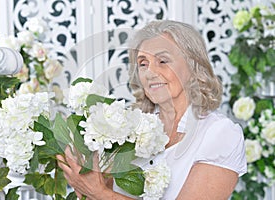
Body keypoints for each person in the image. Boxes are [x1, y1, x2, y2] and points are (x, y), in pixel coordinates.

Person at [57, 20, 247, 199]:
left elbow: (102, 194)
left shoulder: (219, 133)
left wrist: (100, 193)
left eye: (163, 61)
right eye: (143, 64)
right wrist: (82, 175)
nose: (150, 73)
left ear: (193, 67)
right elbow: (96, 192)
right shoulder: (127, 132)